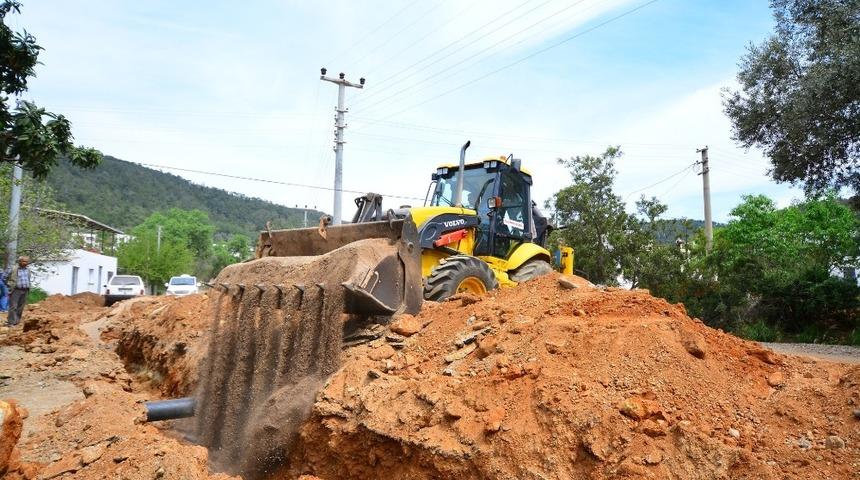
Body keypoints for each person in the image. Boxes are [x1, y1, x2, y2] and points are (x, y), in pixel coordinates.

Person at [5, 256, 31, 327]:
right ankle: (11, 322)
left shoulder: (28, 270)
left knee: (21, 307)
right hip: (15, 290)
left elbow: (28, 279)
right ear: (19, 261)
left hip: (25, 290)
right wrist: (9, 285)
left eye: (27, 261)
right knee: (13, 307)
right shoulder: (13, 268)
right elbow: (4, 277)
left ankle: (16, 321)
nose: (26, 263)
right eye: (24, 261)